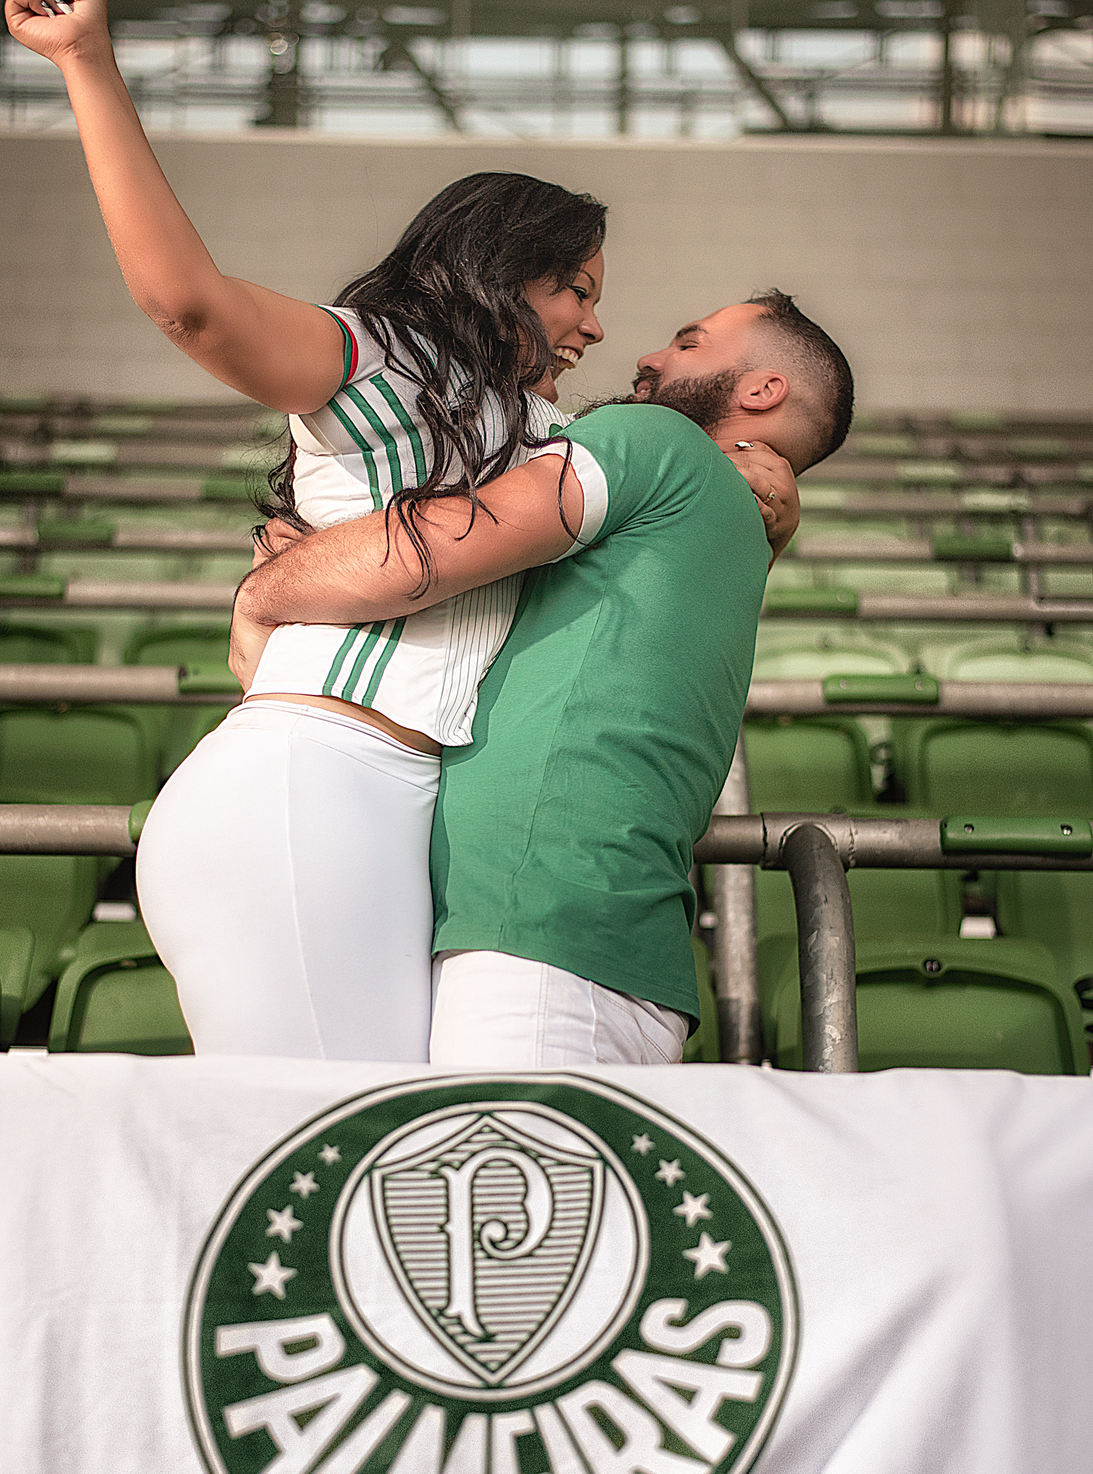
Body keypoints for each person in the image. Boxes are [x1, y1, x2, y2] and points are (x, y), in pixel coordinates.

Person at [4, 0, 607, 1062]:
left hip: (381, 805)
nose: (593, 324)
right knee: (322, 1153)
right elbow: (189, 305)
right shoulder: (378, 353)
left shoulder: (550, 438)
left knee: (358, 1161)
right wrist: (87, 62)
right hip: (306, 789)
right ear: (505, 269)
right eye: (577, 288)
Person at [232, 291, 852, 1066]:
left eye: (687, 344)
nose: (647, 357)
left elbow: (432, 545)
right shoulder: (732, 519)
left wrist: (265, 592)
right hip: (560, 930)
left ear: (763, 390)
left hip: (550, 930)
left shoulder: (657, 439)